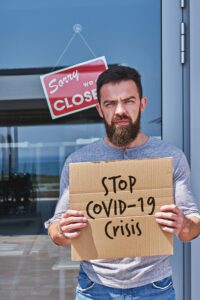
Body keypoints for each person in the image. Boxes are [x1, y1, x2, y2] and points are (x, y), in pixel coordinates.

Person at [46, 65, 200, 300]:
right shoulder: (78, 162)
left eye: (128, 101)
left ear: (142, 104)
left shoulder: (171, 158)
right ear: (100, 109)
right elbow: (56, 231)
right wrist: (63, 232)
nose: (120, 110)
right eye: (110, 103)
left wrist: (183, 223)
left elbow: (192, 229)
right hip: (94, 288)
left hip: (154, 288)